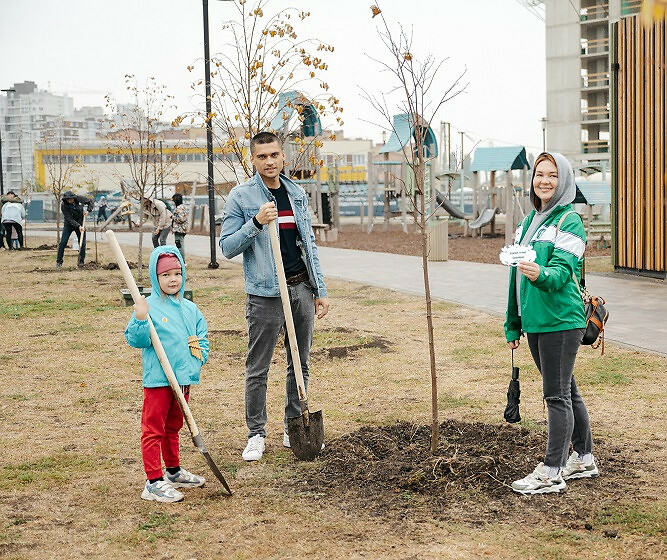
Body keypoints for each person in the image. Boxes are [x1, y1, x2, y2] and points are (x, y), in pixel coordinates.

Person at [220, 131, 330, 462]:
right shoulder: (241, 197)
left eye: (274, 155)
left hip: (299, 288)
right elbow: (226, 248)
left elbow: (309, 244)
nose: (269, 161)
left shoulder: (296, 194)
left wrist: (319, 289)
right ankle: (256, 434)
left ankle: (293, 426)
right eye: (262, 156)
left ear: (283, 157)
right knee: (259, 366)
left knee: (300, 362)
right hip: (265, 293)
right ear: (253, 160)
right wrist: (255, 221)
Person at [505, 151, 598, 495]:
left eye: (553, 175)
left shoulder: (569, 221)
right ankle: (584, 458)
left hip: (561, 321)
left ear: (565, 181)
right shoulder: (527, 223)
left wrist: (540, 273)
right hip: (536, 322)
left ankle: (552, 471)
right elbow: (514, 279)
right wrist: (512, 323)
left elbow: (561, 273)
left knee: (555, 395)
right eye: (539, 174)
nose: (544, 180)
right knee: (566, 390)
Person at [124, 246, 209, 502]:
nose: (172, 279)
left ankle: (173, 471)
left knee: (174, 426)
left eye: (177, 273)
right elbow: (136, 340)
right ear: (155, 277)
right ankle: (153, 482)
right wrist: (140, 317)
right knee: (154, 429)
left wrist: (197, 361)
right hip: (159, 381)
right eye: (165, 275)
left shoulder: (189, 308)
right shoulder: (147, 306)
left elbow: (201, 338)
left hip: (182, 380)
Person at [56, 190, 93, 268]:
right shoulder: (63, 205)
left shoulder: (79, 198)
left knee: (82, 243)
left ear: (73, 197)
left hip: (80, 223)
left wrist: (88, 211)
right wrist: (78, 226)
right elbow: (69, 219)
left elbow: (90, 201)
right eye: (67, 199)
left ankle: (81, 261)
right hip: (69, 225)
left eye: (71, 199)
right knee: (63, 242)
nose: (69, 201)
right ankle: (59, 262)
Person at [171, 193, 188, 261]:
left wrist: (172, 217)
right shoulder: (183, 207)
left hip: (179, 229)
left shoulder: (179, 208)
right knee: (180, 245)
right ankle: (182, 260)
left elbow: (181, 219)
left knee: (179, 246)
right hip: (182, 229)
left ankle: (182, 261)